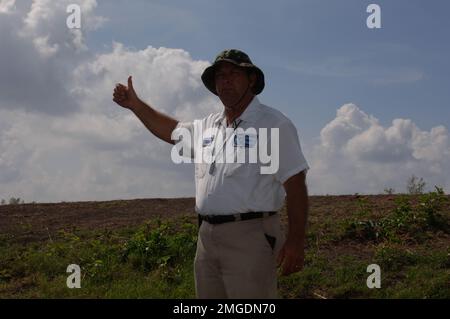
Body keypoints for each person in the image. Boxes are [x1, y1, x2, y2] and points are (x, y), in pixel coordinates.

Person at [113, 49, 309, 299]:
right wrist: (136, 106)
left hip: (251, 237)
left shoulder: (273, 124)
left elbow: (295, 184)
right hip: (206, 237)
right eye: (220, 75)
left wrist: (295, 241)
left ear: (251, 79)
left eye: (233, 73)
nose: (225, 80)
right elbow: (171, 130)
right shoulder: (208, 126)